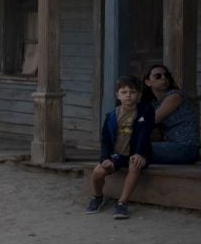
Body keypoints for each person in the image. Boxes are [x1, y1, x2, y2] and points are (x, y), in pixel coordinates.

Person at [84, 75, 154, 220]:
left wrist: (140, 153)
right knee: (97, 172)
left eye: (132, 92)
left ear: (139, 94)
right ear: (118, 94)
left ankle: (122, 203)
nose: (128, 95)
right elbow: (106, 141)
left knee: (134, 166)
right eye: (124, 92)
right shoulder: (111, 116)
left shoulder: (146, 111)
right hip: (117, 155)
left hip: (137, 154)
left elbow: (144, 134)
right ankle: (97, 197)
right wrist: (104, 159)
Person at [145, 63, 198, 165]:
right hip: (172, 146)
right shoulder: (155, 103)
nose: (164, 78)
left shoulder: (175, 96)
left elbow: (152, 120)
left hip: (185, 148)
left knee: (130, 148)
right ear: (147, 82)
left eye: (166, 75)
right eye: (158, 76)